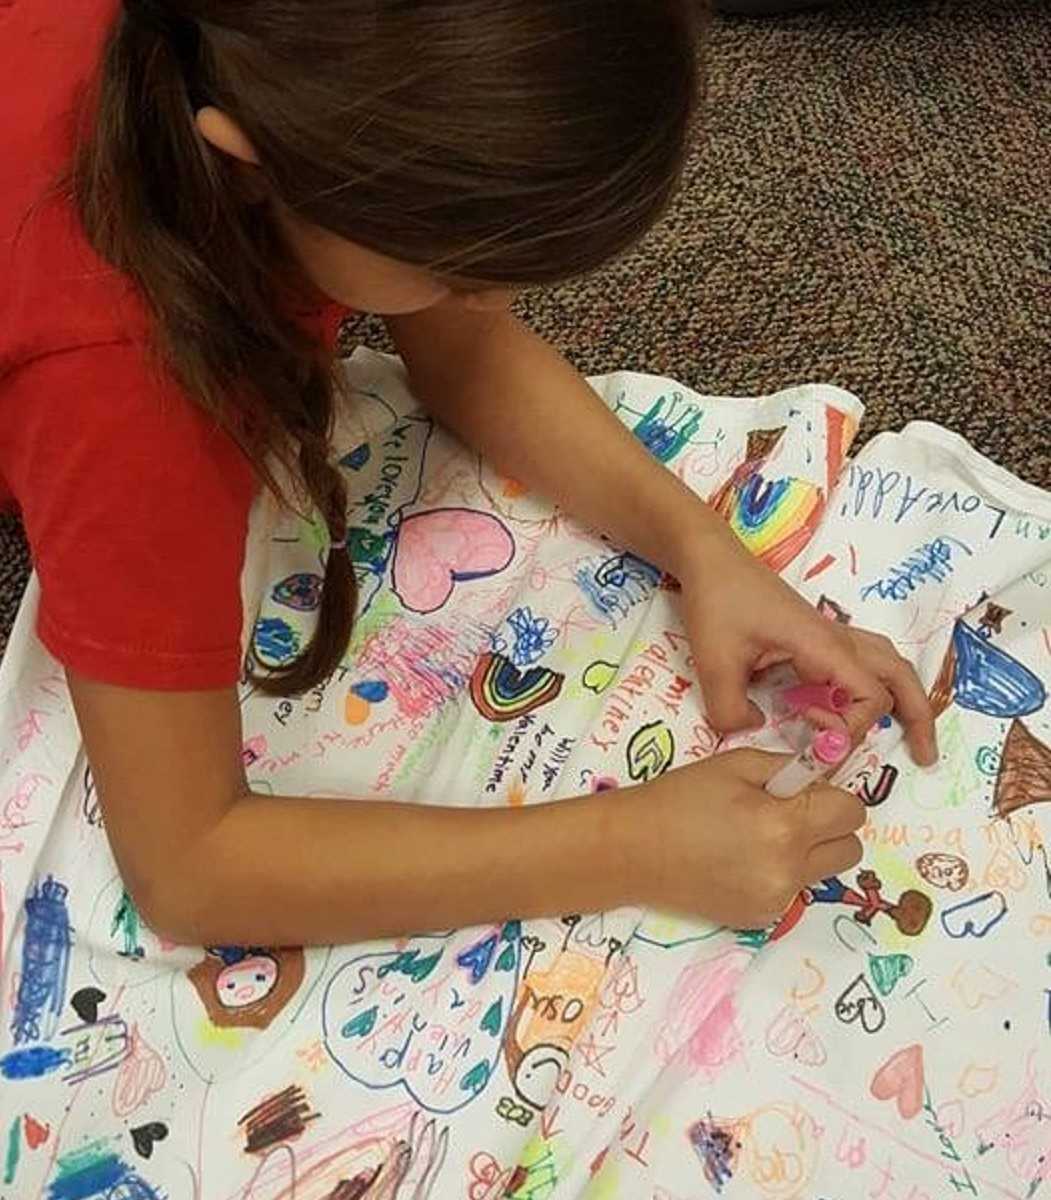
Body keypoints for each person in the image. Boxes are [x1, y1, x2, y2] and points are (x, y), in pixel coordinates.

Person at [0, 0, 936, 948]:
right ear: (246, 162)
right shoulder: (126, 386)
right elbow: (191, 869)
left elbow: (459, 347)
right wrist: (632, 843)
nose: (495, 302)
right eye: (455, 269)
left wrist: (705, 550)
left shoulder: (294, 69)